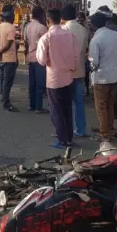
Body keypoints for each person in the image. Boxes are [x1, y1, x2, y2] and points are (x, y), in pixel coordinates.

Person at [37, 8, 78, 149]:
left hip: (54, 78)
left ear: (48, 21)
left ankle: (62, 140)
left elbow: (41, 60)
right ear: (60, 19)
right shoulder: (70, 35)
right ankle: (69, 138)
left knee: (56, 110)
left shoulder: (46, 37)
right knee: (67, 109)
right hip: (68, 77)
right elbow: (76, 56)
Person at [88, 12, 117, 142]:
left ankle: (104, 134)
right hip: (115, 76)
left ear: (93, 25)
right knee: (110, 105)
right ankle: (108, 128)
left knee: (101, 106)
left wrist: (91, 67)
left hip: (101, 77)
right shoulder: (115, 35)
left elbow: (94, 61)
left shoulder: (96, 39)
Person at [61, 4, 90, 138]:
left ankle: (65, 131)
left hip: (65, 71)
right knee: (78, 102)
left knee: (64, 102)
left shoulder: (63, 30)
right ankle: (81, 129)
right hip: (79, 70)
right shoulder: (84, 30)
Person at [0, 5, 19, 112]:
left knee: (4, 80)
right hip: (9, 59)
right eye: (13, 16)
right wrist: (0, 52)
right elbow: (9, 44)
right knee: (7, 82)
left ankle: (4, 99)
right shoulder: (11, 27)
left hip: (1, 59)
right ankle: (6, 103)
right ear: (10, 17)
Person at [24, 6, 48, 114]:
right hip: (39, 58)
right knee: (40, 84)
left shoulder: (27, 26)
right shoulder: (42, 28)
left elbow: (25, 41)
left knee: (32, 83)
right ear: (40, 15)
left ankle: (31, 105)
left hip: (30, 56)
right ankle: (38, 107)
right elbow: (47, 45)